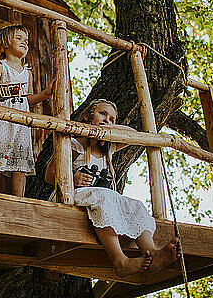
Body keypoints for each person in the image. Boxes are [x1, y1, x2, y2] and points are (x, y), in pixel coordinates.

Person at [45, 99, 180, 278]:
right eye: (102, 114)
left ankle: (150, 251)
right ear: (87, 116)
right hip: (73, 195)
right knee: (104, 196)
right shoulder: (75, 144)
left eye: (112, 119)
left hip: (98, 197)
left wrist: (108, 130)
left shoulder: (109, 148)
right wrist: (74, 176)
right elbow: (49, 175)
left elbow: (133, 135)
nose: (107, 120)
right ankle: (120, 261)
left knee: (136, 205)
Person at [0, 24, 54, 197]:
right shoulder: (0, 66)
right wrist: (8, 91)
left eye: (26, 40)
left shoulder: (27, 73)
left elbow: (27, 99)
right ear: (6, 43)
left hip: (19, 122)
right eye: (19, 38)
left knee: (20, 159)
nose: (25, 42)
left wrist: (46, 94)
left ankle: (19, 199)